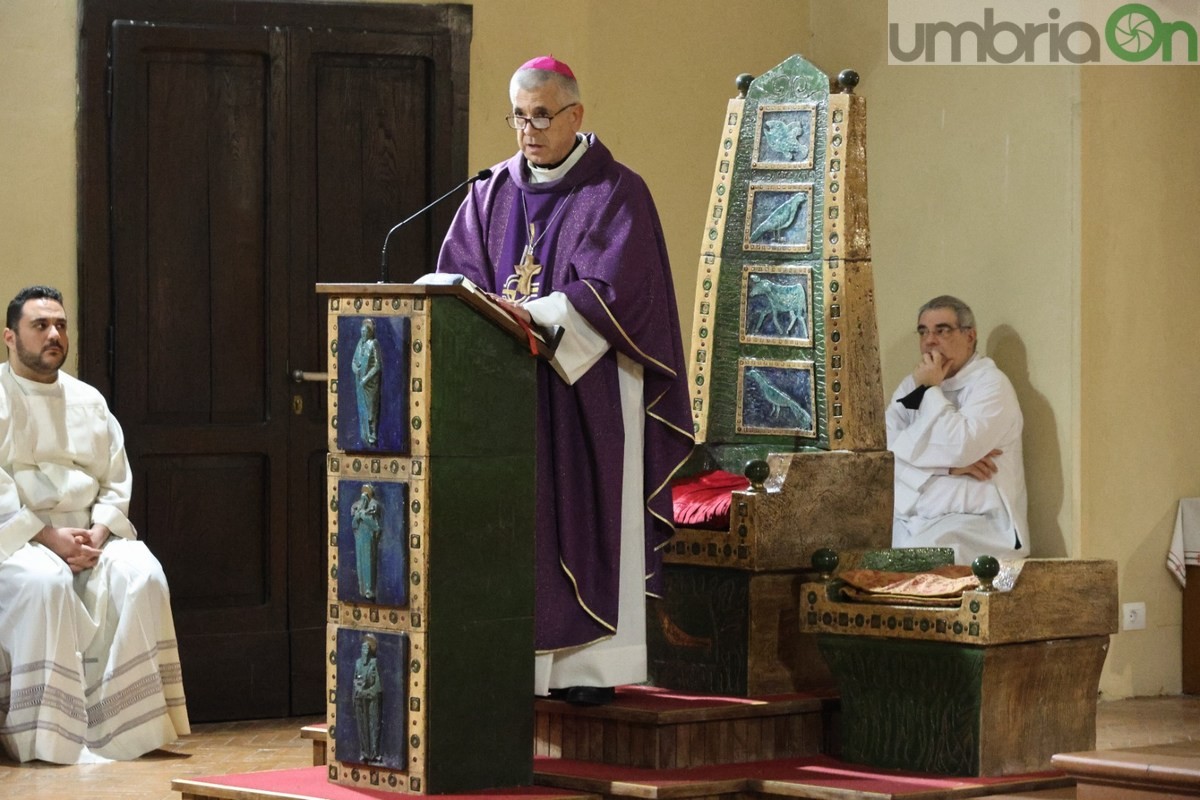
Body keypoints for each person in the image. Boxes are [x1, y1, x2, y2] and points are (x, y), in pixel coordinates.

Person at [436, 56, 693, 705]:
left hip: (587, 398)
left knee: (584, 521)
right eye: (519, 116)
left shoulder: (616, 192)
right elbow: (455, 276)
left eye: (541, 116)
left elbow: (622, 292)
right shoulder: (488, 191)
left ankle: (589, 671)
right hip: (506, 399)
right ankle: (514, 666)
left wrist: (538, 314)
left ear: (575, 116)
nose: (528, 130)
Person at [0, 285, 189, 763]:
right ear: (9, 337)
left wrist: (98, 534)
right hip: (18, 538)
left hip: (89, 536)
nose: (54, 335)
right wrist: (48, 538)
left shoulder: (89, 400)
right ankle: (46, 736)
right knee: (45, 582)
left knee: (143, 574)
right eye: (40, 325)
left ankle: (130, 726)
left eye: (61, 325)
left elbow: (115, 480)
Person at [886, 295, 1028, 563]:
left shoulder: (991, 384)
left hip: (978, 523)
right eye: (923, 332)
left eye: (942, 330)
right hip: (915, 515)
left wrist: (931, 390)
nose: (929, 340)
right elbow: (885, 450)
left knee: (924, 555)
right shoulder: (912, 385)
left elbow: (960, 447)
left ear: (970, 336)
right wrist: (946, 469)